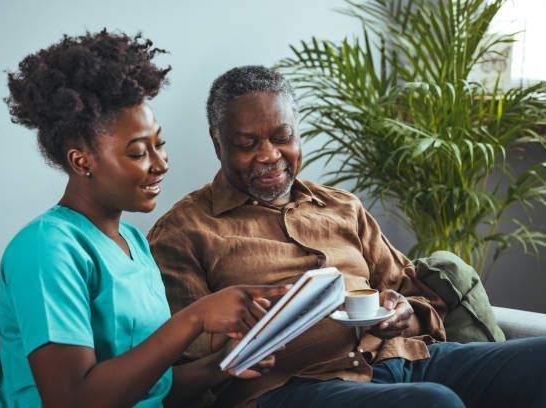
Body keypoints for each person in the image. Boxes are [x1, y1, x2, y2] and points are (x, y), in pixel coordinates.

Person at [147, 65, 546, 408]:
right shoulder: (185, 232)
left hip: (401, 359)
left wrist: (404, 313)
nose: (269, 155)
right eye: (247, 144)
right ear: (218, 145)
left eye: (282, 137)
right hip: (297, 387)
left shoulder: (342, 207)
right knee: (433, 403)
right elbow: (186, 373)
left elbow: (416, 296)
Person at [0, 34, 289, 408]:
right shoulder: (46, 249)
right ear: (81, 161)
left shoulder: (133, 243)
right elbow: (71, 400)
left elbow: (152, 388)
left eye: (160, 144)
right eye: (139, 152)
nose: (161, 164)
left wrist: (227, 363)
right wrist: (195, 318)